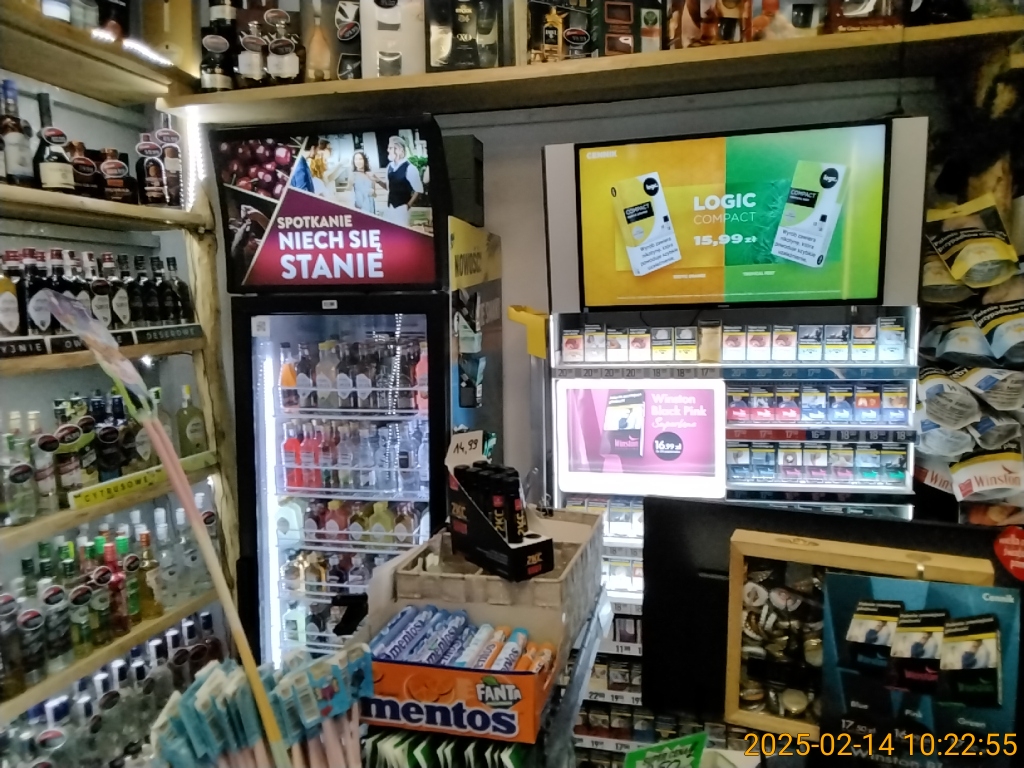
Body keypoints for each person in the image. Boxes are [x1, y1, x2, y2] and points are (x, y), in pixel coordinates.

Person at [384, 135, 423, 227]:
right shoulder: (389, 167)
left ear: (399, 149)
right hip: (390, 207)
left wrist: (408, 205)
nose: (388, 150)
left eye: (391, 148)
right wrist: (377, 181)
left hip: (402, 208)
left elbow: (418, 190)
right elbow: (388, 187)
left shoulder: (410, 168)